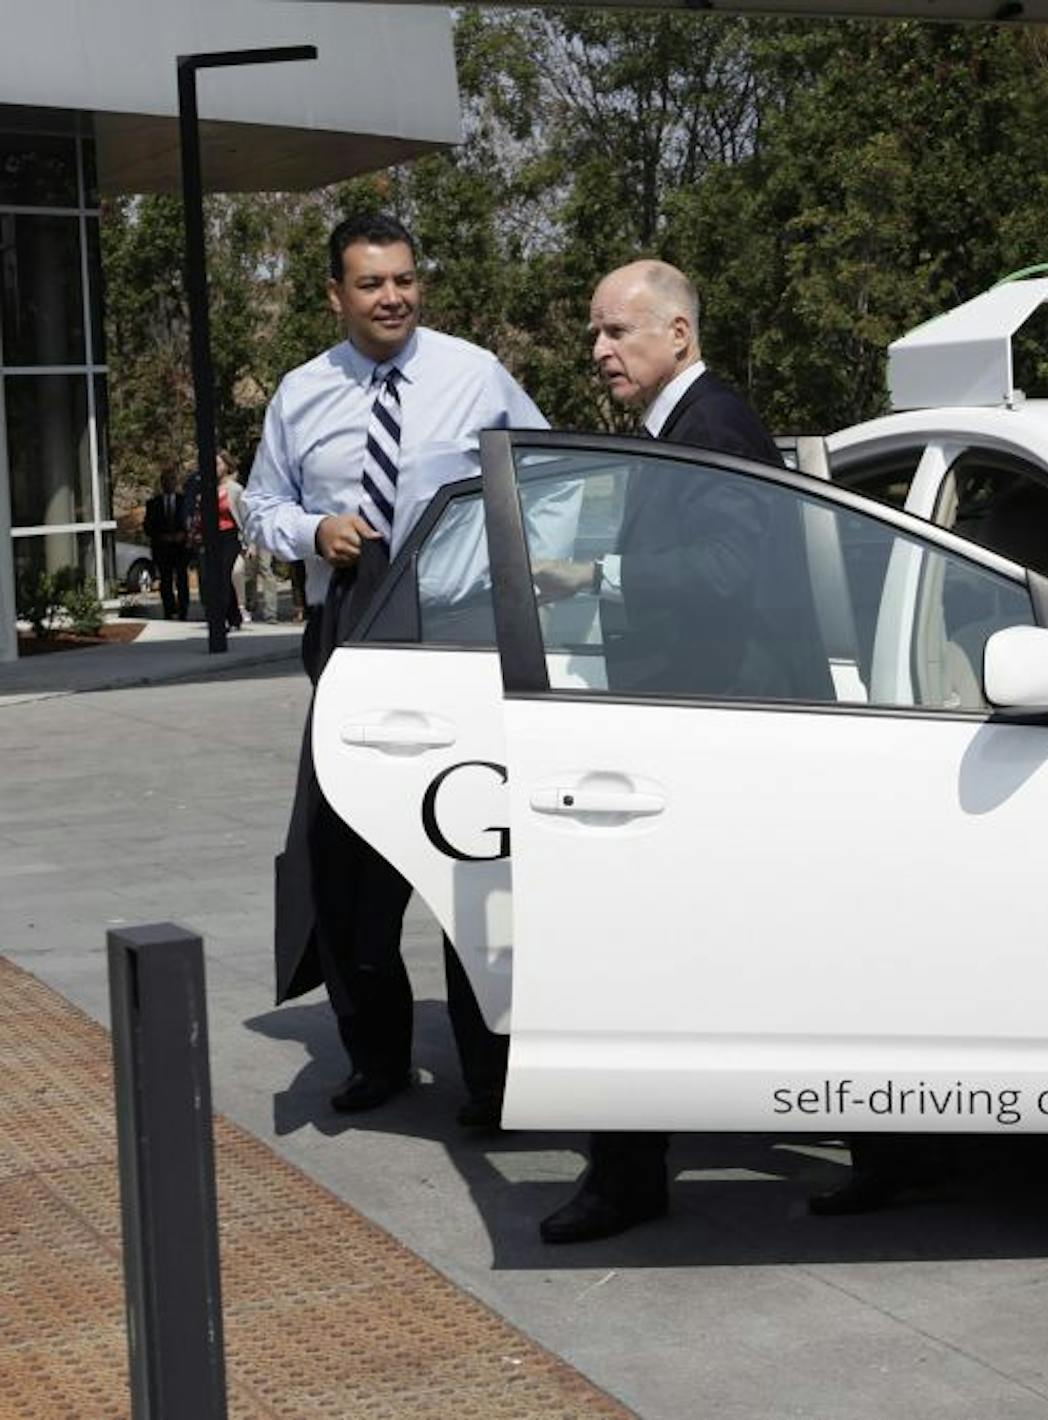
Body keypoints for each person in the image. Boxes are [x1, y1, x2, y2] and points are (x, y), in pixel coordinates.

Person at [535, 258, 873, 1244]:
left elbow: (727, 569)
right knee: (781, 952)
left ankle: (628, 1175)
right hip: (716, 732)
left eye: (616, 332)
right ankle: (903, 1153)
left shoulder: (712, 424)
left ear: (678, 334)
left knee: (631, 956)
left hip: (725, 737)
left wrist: (592, 574)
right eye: (595, 333)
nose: (598, 350)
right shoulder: (685, 424)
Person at [244, 211, 541, 1127]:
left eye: (405, 279)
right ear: (336, 295)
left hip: (458, 645)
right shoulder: (300, 394)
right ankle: (375, 1054)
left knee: (472, 858)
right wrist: (309, 532)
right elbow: (259, 505)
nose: (394, 297)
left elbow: (544, 470)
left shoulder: (474, 374)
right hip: (351, 644)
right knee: (346, 861)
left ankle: (493, 1078)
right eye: (372, 284)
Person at [142, 469, 193, 621]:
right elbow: (148, 526)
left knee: (182, 579)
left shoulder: (183, 501)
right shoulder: (153, 504)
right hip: (162, 548)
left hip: (181, 548)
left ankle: (183, 610)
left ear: (175, 483)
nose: (168, 483)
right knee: (165, 580)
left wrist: (183, 535)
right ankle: (169, 610)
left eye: (172, 480)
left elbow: (190, 521)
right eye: (165, 480)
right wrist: (161, 536)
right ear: (162, 483)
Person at [213, 452, 246, 632]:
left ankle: (223, 618)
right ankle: (234, 616)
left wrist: (250, 544)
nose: (215, 468)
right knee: (219, 577)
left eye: (218, 464)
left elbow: (245, 517)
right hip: (214, 537)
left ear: (226, 466)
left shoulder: (235, 489)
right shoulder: (209, 488)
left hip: (231, 536)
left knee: (225, 575)